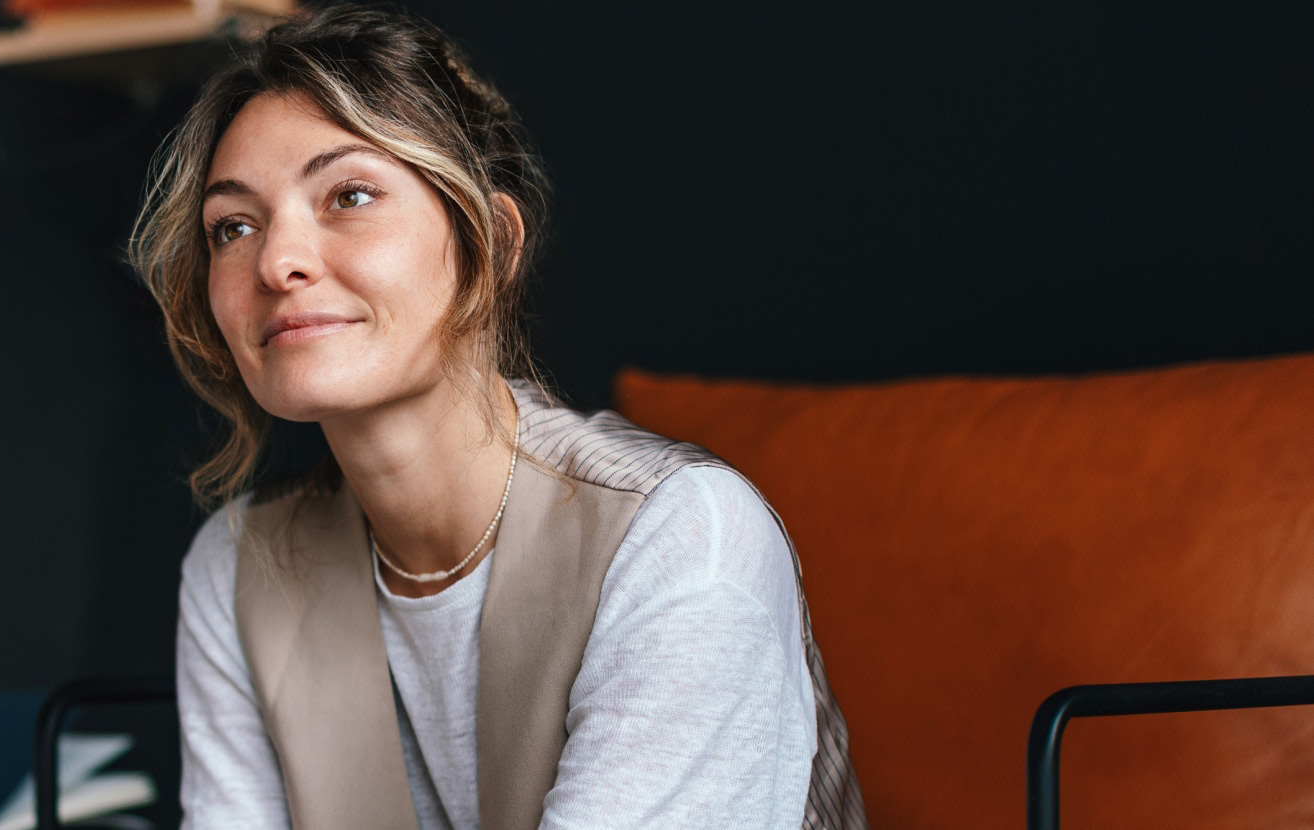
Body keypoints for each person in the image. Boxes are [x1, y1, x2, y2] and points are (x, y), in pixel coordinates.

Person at [130, 6, 867, 828]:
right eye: (233, 226)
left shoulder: (680, 533)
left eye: (349, 195)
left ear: (494, 245)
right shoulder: (238, 569)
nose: (275, 260)